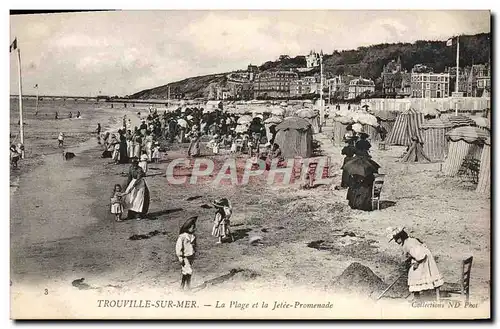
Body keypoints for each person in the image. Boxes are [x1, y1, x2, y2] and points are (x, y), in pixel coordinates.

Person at [388, 227, 444, 301]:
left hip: (424, 259)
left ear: (401, 237)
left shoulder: (409, 244)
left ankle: (418, 298)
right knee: (418, 275)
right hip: (422, 258)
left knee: (414, 275)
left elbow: (420, 255)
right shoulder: (409, 241)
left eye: (396, 239)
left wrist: (416, 263)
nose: (395, 241)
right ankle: (419, 297)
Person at [175, 216, 198, 290]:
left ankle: (181, 286)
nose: (194, 229)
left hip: (191, 255)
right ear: (188, 228)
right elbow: (178, 248)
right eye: (192, 227)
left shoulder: (193, 236)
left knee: (185, 271)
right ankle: (188, 287)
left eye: (194, 227)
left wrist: (195, 251)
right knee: (189, 271)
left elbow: (195, 245)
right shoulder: (182, 237)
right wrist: (180, 257)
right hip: (185, 256)